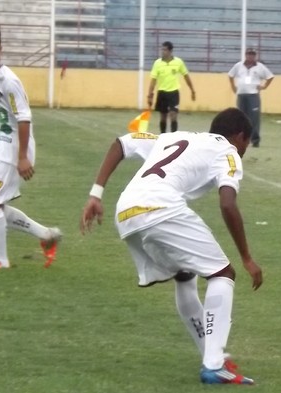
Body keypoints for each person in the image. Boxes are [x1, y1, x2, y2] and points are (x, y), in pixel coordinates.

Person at [79, 108, 262, 385]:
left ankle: (212, 357)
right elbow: (227, 203)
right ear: (239, 136)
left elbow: (121, 143)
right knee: (223, 274)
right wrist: (247, 258)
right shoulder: (228, 152)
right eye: (247, 142)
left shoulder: (172, 137)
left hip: (126, 212)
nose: (245, 149)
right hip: (160, 208)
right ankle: (213, 365)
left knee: (185, 276)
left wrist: (96, 194)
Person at [0, 25, 62, 270]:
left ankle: (0, 261)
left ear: (0, 49)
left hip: (10, 148)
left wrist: (22, 157)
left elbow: (24, 118)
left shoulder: (8, 80)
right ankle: (46, 235)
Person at [228, 48, 274, 148]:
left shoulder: (260, 67)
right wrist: (233, 87)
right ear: (245, 55)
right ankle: (241, 139)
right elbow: (230, 75)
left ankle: (255, 140)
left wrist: (264, 86)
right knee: (241, 118)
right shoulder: (239, 65)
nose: (250, 56)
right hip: (241, 94)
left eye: (252, 54)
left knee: (254, 118)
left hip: (253, 95)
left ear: (255, 56)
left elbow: (270, 76)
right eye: (249, 54)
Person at [147, 41, 196, 133]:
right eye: (162, 49)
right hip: (162, 93)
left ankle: (173, 137)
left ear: (170, 51)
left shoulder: (178, 62)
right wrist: (150, 95)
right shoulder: (157, 63)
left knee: (173, 115)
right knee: (163, 117)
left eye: (164, 50)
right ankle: (163, 136)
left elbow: (186, 76)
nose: (162, 52)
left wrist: (192, 90)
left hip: (174, 93)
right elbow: (153, 80)